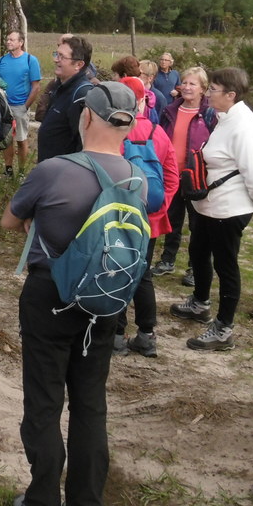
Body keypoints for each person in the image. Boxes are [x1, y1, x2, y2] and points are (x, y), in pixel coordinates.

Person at [2, 81, 145, 506]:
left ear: (85, 117)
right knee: (90, 406)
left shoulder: (54, 170)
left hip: (50, 296)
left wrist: (38, 220)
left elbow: (10, 219)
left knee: (44, 404)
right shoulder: (136, 177)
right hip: (105, 302)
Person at [170, 67, 253, 351]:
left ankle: (224, 329)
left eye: (213, 90)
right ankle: (200, 303)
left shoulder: (244, 126)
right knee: (198, 251)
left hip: (228, 208)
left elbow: (252, 170)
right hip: (209, 204)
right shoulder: (224, 118)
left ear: (231, 94)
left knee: (225, 265)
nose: (209, 94)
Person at [111, 77, 177, 358]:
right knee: (142, 273)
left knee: (115, 271)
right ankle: (146, 335)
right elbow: (172, 177)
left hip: (118, 216)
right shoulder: (157, 132)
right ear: (142, 101)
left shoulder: (113, 132)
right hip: (149, 218)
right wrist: (159, 207)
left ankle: (116, 336)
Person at [151, 66, 217, 287]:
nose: (187, 87)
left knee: (198, 225)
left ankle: (194, 267)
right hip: (171, 175)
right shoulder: (170, 110)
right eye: (185, 83)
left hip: (196, 177)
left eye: (193, 84)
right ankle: (167, 259)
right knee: (172, 220)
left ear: (203, 89)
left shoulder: (210, 114)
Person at [37, 35, 95, 162]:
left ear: (78, 64)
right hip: (50, 167)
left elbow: (83, 143)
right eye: (56, 54)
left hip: (64, 170)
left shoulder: (81, 94)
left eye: (61, 57)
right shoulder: (60, 86)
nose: (55, 60)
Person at [0, 31, 42, 179]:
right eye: (7, 39)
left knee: (21, 139)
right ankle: (8, 170)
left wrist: (25, 106)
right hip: (4, 107)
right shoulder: (2, 61)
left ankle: (22, 171)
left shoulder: (30, 60)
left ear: (20, 42)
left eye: (12, 39)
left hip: (20, 106)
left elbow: (36, 87)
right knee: (7, 139)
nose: (8, 42)